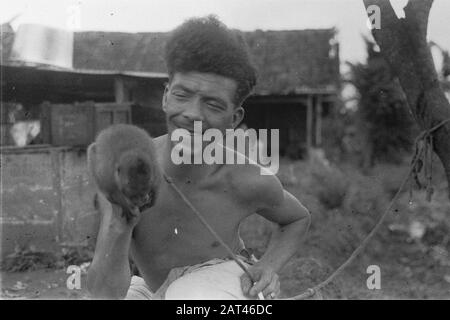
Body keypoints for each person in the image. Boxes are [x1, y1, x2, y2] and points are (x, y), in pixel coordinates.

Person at [87, 15, 310, 300]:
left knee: (190, 295)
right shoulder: (128, 171)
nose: (192, 113)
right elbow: (104, 295)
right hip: (155, 289)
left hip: (218, 287)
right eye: (182, 95)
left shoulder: (244, 178)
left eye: (213, 104)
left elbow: (297, 218)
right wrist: (120, 219)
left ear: (234, 119)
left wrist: (267, 267)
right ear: (166, 96)